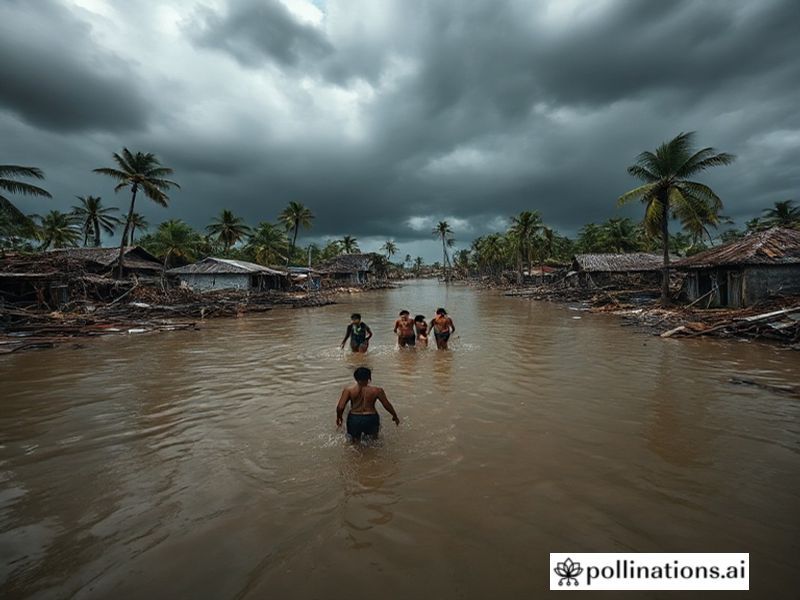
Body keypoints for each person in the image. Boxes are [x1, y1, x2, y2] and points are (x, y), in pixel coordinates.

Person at [336, 367, 400, 443]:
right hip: (371, 418)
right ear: (369, 378)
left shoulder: (349, 390)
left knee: (354, 443)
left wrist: (339, 417)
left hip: (354, 418)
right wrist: (394, 416)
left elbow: (340, 407)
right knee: (374, 442)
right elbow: (386, 404)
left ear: (355, 377)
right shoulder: (377, 390)